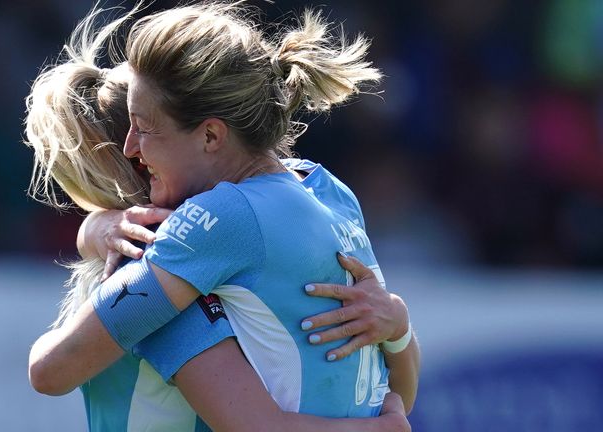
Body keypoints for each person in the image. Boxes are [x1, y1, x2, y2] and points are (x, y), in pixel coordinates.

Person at [26, 3, 418, 430]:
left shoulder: (210, 225)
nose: (131, 147)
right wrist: (399, 327)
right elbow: (399, 394)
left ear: (211, 135)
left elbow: (50, 370)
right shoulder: (329, 191)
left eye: (144, 127)